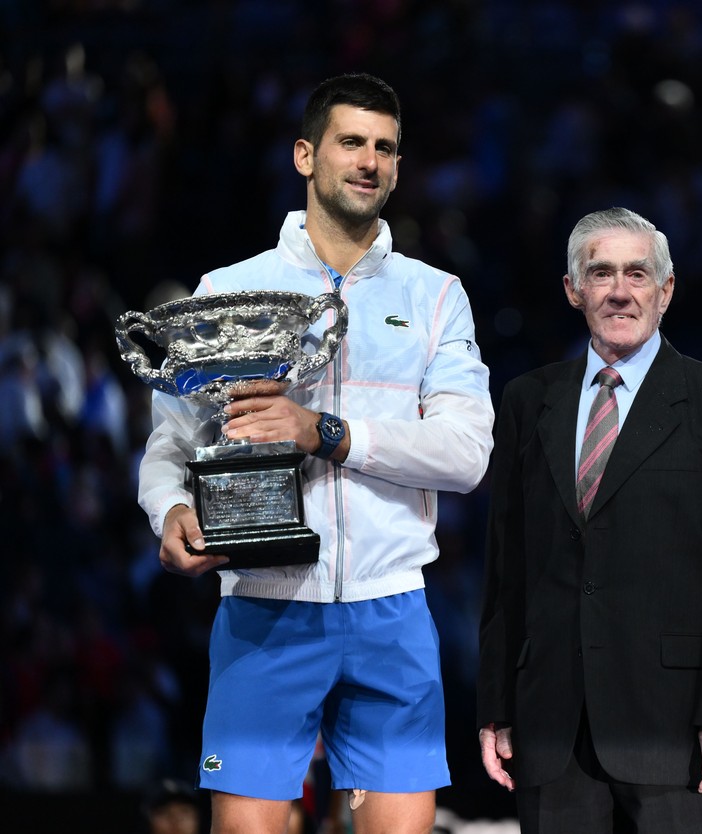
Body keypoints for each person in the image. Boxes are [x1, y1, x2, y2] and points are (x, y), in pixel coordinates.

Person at [137, 73, 493, 834]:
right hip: (265, 607)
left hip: (391, 606)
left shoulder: (436, 297)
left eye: (386, 148)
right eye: (351, 142)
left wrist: (326, 433)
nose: (369, 160)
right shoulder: (228, 290)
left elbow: (467, 454)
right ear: (306, 155)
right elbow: (170, 440)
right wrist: (168, 509)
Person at [477, 207, 702, 832]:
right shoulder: (527, 401)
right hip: (551, 729)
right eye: (601, 273)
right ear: (572, 289)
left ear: (666, 292)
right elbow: (507, 567)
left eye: (638, 274)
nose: (619, 291)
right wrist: (497, 705)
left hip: (678, 731)